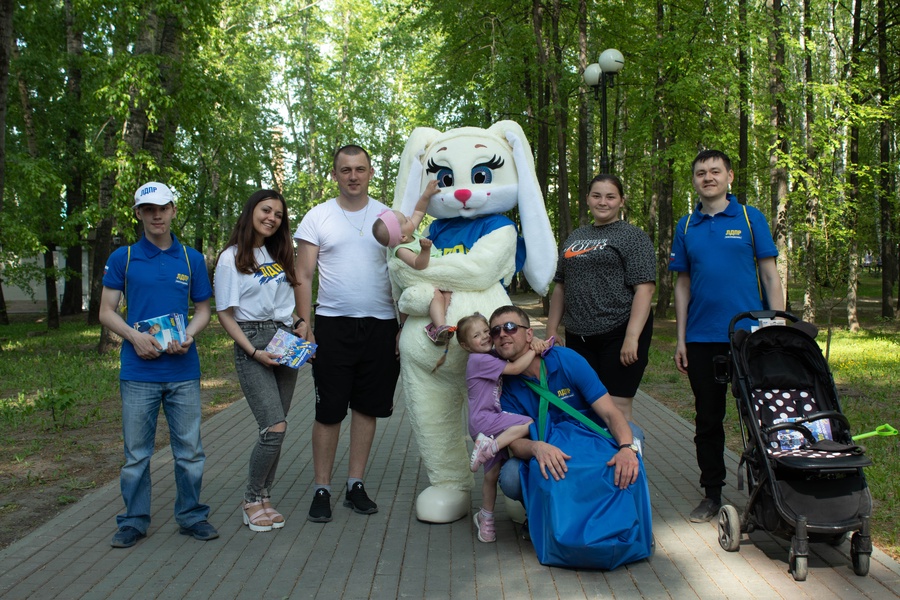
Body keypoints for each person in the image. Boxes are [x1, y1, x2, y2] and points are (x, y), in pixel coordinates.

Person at [99, 182, 218, 548]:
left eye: (163, 208)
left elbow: (202, 311)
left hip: (183, 370)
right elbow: (106, 312)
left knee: (190, 451)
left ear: (173, 211)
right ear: (138, 214)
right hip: (138, 373)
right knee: (136, 454)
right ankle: (134, 520)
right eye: (148, 209)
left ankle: (191, 515)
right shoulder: (124, 258)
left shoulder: (190, 258)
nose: (156, 215)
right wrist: (134, 337)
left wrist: (190, 335)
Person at [670, 149, 785, 523]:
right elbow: (682, 285)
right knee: (708, 418)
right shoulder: (686, 226)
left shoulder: (752, 219)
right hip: (703, 339)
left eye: (715, 171)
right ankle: (713, 493)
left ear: (729, 177)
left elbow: (769, 275)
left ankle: (770, 485)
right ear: (695, 181)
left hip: (751, 336)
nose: (708, 177)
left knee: (761, 415)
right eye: (701, 172)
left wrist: (777, 326)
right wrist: (681, 338)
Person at [294, 144, 401, 523]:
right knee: (328, 410)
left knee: (367, 408)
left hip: (381, 324)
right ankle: (321, 488)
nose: (353, 176)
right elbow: (303, 275)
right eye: (345, 170)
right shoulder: (318, 217)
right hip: (333, 325)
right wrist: (304, 324)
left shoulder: (389, 217)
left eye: (359, 169)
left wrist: (402, 326)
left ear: (371, 172)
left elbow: (406, 272)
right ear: (335, 174)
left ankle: (355, 484)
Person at [214, 189, 307, 532]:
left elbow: (287, 302)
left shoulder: (279, 253)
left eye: (278, 215)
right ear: (251, 210)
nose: (271, 218)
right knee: (273, 426)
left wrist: (300, 322)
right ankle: (251, 499)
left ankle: (265, 498)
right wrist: (252, 351)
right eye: (266, 210)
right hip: (252, 340)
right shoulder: (231, 257)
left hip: (284, 339)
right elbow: (225, 314)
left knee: (278, 428)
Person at [489, 306, 641, 511]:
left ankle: (620, 508)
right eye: (495, 331)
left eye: (510, 327)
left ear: (529, 334)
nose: (503, 334)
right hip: (548, 448)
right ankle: (546, 517)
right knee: (510, 477)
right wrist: (537, 448)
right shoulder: (504, 386)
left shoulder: (566, 359)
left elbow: (609, 411)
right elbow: (515, 443)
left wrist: (626, 449)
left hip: (588, 439)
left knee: (634, 438)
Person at [545, 174, 656, 424]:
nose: (603, 202)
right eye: (597, 195)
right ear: (587, 199)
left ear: (621, 201)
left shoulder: (633, 237)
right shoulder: (574, 238)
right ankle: (598, 461)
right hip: (579, 336)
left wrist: (631, 337)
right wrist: (552, 328)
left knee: (617, 404)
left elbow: (645, 290)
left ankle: (628, 459)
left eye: (610, 196)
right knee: (585, 401)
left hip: (619, 332)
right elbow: (561, 286)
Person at [455, 313, 551, 543]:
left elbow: (509, 352)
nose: (486, 337)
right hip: (487, 420)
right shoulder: (480, 360)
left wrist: (533, 341)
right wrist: (534, 349)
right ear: (466, 345)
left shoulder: (488, 356)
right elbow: (516, 367)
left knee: (491, 474)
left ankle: (486, 521)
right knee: (528, 422)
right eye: (477, 335)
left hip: (481, 423)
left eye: (487, 331)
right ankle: (491, 446)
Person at [373, 178, 454, 343]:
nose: (410, 218)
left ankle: (436, 325)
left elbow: (419, 211)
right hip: (421, 282)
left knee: (447, 294)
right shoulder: (401, 249)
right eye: (406, 220)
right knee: (437, 295)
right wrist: (425, 250)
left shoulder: (410, 233)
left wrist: (427, 194)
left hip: (436, 272)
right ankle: (439, 327)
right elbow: (418, 264)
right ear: (402, 236)